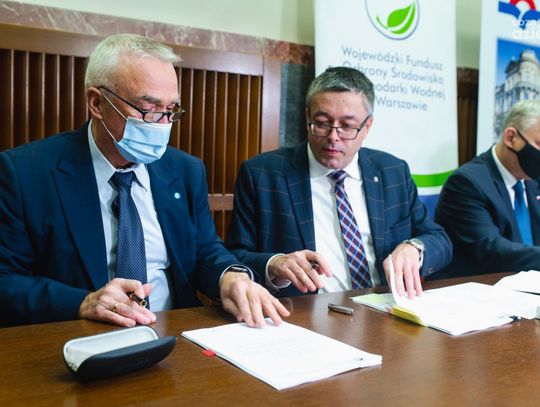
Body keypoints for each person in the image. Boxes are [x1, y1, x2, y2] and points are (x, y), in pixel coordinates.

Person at [0, 34, 288, 328]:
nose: (163, 125)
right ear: (97, 103)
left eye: (171, 110)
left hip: (174, 333)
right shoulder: (25, 173)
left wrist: (230, 277)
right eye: (149, 109)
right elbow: (5, 280)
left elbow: (204, 250)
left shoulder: (185, 170)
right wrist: (83, 302)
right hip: (77, 336)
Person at [226, 66, 452, 298]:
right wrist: (274, 263)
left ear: (367, 126)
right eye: (322, 123)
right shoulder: (262, 174)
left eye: (347, 126)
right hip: (304, 311)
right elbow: (235, 256)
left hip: (383, 306)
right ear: (307, 117)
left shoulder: (392, 172)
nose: (333, 137)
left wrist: (415, 248)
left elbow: (439, 240)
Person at [435, 99, 540, 278]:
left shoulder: (533, 180)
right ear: (511, 138)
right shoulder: (467, 183)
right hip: (481, 286)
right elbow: (491, 250)